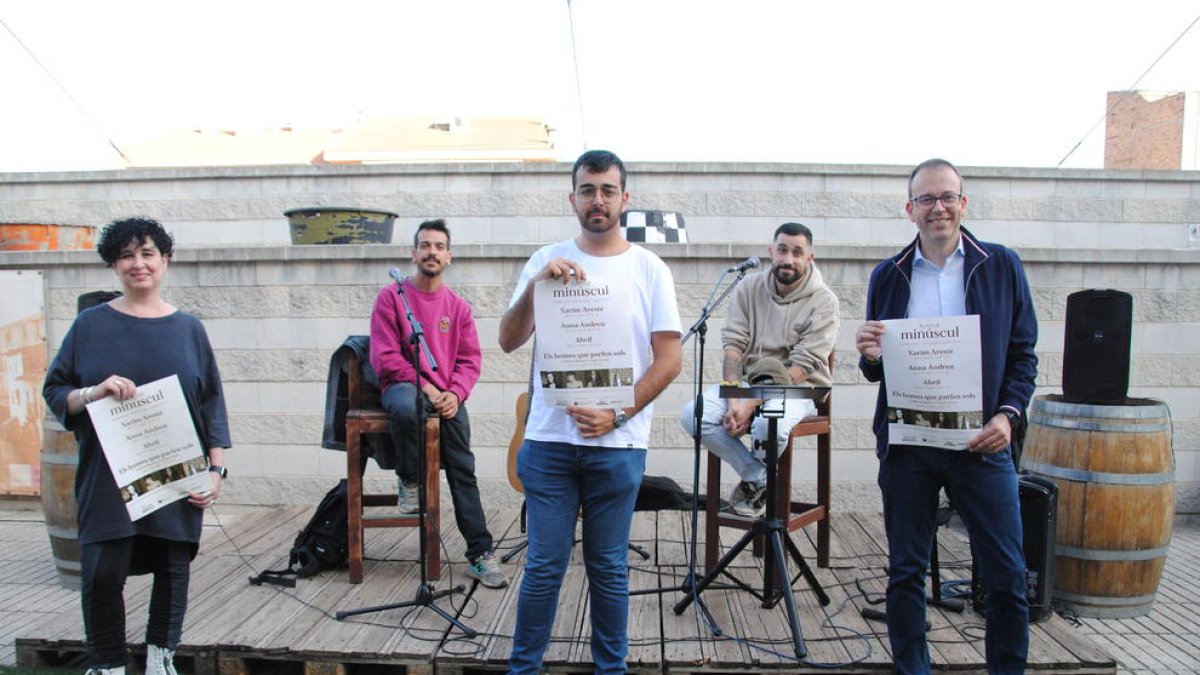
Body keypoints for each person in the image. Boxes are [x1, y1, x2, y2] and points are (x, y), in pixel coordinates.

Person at [498, 149, 682, 673]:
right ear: (572, 197)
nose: (596, 200)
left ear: (625, 197)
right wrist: (537, 290)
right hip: (549, 443)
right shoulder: (544, 259)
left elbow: (669, 360)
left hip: (617, 446)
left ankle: (612, 669)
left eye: (606, 190)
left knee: (608, 569)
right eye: (587, 190)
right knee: (543, 566)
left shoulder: (650, 269)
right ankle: (523, 668)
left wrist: (617, 414)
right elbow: (509, 341)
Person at [855, 158, 1038, 674]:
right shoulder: (887, 275)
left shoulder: (1001, 265)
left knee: (1005, 573)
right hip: (910, 447)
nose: (938, 208)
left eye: (947, 197)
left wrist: (1008, 416)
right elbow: (876, 371)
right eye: (927, 200)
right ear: (909, 210)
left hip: (982, 443)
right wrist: (869, 354)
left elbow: (1024, 355)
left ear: (964, 203)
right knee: (905, 573)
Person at [42, 217, 231, 675]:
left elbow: (211, 404)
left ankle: (160, 660)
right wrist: (93, 392)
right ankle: (106, 664)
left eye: (148, 253)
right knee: (104, 571)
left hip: (176, 474)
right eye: (127, 255)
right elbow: (56, 390)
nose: (138, 263)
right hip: (108, 476)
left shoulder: (189, 328)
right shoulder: (90, 325)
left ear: (164, 261)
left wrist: (215, 470)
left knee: (172, 568)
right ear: (114, 264)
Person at [368, 218, 507, 589]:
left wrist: (455, 394)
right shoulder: (391, 297)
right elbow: (384, 357)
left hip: (447, 396)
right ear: (414, 253)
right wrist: (429, 389)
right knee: (405, 406)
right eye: (425, 245)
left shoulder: (458, 308)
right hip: (404, 386)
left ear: (449, 257)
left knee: (463, 468)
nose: (432, 251)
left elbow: (469, 360)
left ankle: (480, 553)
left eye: (439, 246)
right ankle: (410, 478)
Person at [679, 222, 839, 516]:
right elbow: (733, 347)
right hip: (749, 383)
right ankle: (759, 478)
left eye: (797, 252)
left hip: (799, 389)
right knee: (693, 414)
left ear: (809, 258)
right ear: (770, 252)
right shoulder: (748, 287)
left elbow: (803, 366)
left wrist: (751, 403)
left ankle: (758, 490)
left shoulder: (825, 301)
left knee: (769, 425)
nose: (788, 259)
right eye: (782, 250)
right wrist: (734, 399)